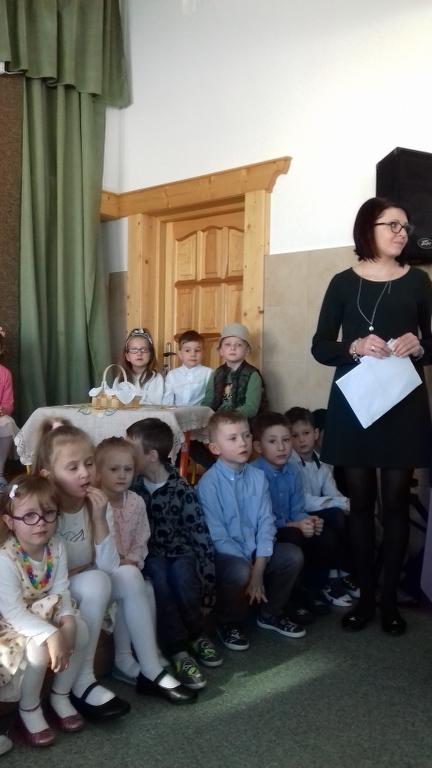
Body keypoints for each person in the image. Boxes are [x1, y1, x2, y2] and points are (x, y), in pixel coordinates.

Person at [311, 197, 432, 635]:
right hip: (355, 405)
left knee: (395, 505)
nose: (402, 232)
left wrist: (420, 345)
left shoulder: (419, 281)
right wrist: (354, 346)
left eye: (405, 226)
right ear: (368, 228)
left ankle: (388, 602)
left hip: (404, 404)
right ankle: (364, 599)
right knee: (360, 505)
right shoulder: (342, 283)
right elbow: (320, 346)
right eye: (392, 225)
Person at [31, 418, 130, 720]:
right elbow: (38, 573)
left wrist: (99, 519)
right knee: (97, 580)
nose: (85, 473)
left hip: (81, 587)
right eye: (72, 468)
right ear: (48, 475)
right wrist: (74, 574)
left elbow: (109, 568)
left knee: (116, 578)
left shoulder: (95, 504)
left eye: (89, 463)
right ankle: (82, 681)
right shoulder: (42, 512)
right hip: (46, 594)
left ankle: (92, 677)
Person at [94, 437, 195, 704]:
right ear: (98, 472)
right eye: (114, 469)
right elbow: (98, 546)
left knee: (147, 586)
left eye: (128, 469)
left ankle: (148, 654)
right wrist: (121, 563)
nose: (122, 475)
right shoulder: (96, 503)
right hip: (102, 571)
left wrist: (133, 559)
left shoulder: (136, 501)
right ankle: (125, 658)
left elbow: (142, 537)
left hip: (129, 567)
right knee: (133, 582)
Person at [197, 410, 305, 651]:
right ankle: (228, 622)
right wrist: (251, 567)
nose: (243, 443)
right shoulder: (208, 484)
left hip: (256, 551)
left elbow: (267, 524)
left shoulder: (258, 477)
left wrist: (259, 567)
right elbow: (218, 537)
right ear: (214, 448)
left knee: (292, 556)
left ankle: (269, 613)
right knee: (239, 571)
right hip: (227, 555)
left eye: (246, 435)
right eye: (233, 438)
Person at [126, 418, 220, 692]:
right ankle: (179, 650)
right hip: (151, 556)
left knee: (181, 573)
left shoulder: (182, 489)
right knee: (158, 574)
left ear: (151, 455)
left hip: (182, 554)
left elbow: (201, 537)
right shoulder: (133, 488)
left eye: (132, 450)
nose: (127, 456)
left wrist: (208, 590)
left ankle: (196, 634)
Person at [0, 475, 89, 748]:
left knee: (82, 630)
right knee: (37, 650)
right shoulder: (5, 558)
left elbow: (61, 591)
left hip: (45, 612)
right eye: (29, 516)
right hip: (13, 623)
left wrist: (68, 622)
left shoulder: (56, 548)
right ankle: (29, 710)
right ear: (9, 522)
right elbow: (14, 613)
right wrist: (52, 634)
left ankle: (60, 695)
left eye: (48, 513)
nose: (40, 522)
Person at [251, 411, 349, 622]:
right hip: (264, 535)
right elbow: (260, 522)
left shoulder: (292, 471)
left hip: (289, 526)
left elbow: (297, 508)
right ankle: (289, 598)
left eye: (286, 440)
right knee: (294, 535)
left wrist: (308, 520)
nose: (281, 447)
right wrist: (295, 525)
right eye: (272, 441)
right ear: (258, 446)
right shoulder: (254, 475)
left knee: (326, 535)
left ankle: (311, 589)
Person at [285, 407, 356, 603]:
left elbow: (333, 493)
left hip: (315, 513)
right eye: (295, 436)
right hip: (297, 515)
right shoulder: (290, 463)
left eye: (306, 433)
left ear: (315, 434)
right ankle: (329, 580)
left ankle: (341, 574)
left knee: (349, 516)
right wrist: (341, 503)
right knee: (336, 516)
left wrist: (345, 503)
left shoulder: (322, 463)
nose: (301, 440)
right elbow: (304, 500)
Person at [201, 323, 268, 418]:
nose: (233, 348)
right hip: (217, 420)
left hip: (240, 421)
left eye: (239, 345)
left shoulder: (252, 375)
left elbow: (251, 408)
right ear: (221, 350)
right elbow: (207, 403)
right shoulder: (216, 374)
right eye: (228, 344)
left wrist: (226, 417)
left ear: (247, 350)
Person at [162, 330, 213, 406]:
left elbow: (211, 400)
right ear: (180, 354)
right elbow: (167, 402)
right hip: (177, 413)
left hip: (200, 413)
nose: (193, 354)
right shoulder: (172, 375)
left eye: (197, 351)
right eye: (187, 350)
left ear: (203, 353)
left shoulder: (209, 373)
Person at [121, 327, 164, 405]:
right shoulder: (121, 377)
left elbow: (154, 405)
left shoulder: (155, 378)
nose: (139, 353)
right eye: (133, 350)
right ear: (127, 356)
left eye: (144, 350)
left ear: (151, 355)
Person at [0, 328, 19, 492]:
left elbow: (8, 403)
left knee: (7, 422)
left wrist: (2, 410)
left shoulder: (4, 374)